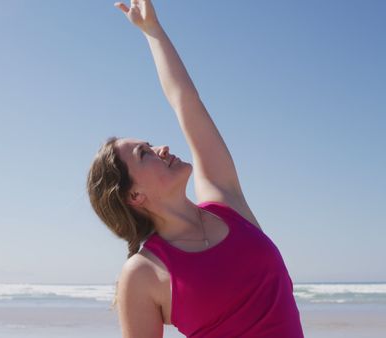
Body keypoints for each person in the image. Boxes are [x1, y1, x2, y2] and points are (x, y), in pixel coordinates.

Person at [86, 1, 304, 337]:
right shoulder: (143, 273)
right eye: (145, 154)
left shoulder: (225, 201)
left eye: (150, 144)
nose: (162, 148)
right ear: (135, 195)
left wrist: (153, 32)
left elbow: (185, 101)